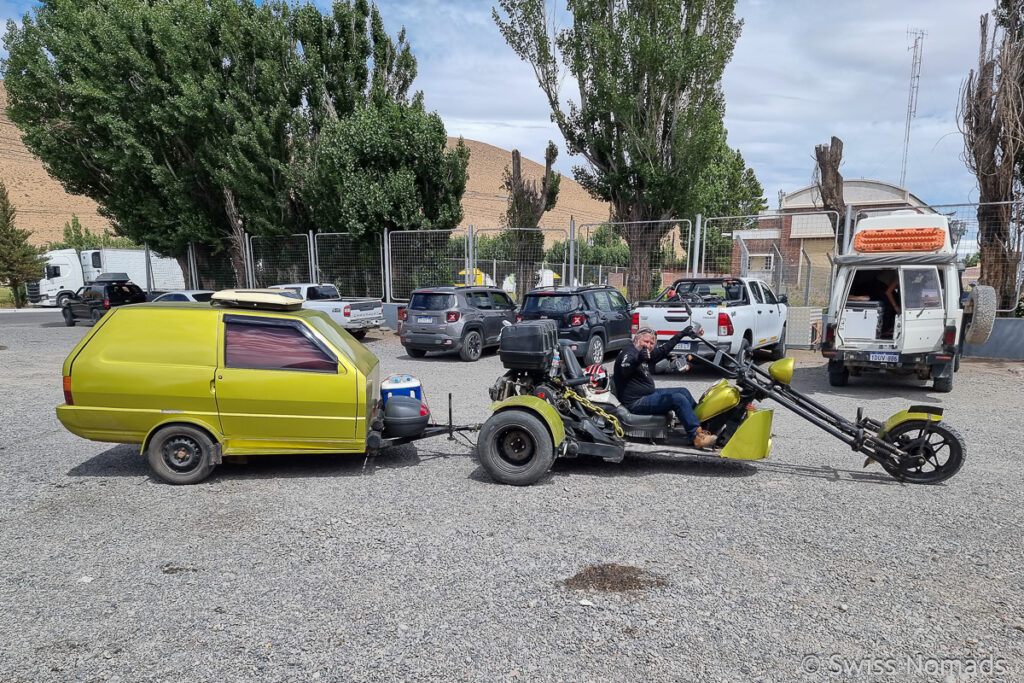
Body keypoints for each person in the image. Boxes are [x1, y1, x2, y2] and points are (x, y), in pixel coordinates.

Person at [612, 326, 717, 448]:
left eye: (652, 343)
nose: (649, 345)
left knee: (683, 391)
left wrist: (681, 334)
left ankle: (700, 426)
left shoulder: (646, 353)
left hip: (647, 395)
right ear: (636, 340)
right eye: (646, 342)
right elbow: (626, 367)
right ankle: (696, 437)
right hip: (636, 402)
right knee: (677, 399)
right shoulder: (628, 352)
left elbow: (663, 350)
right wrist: (638, 358)